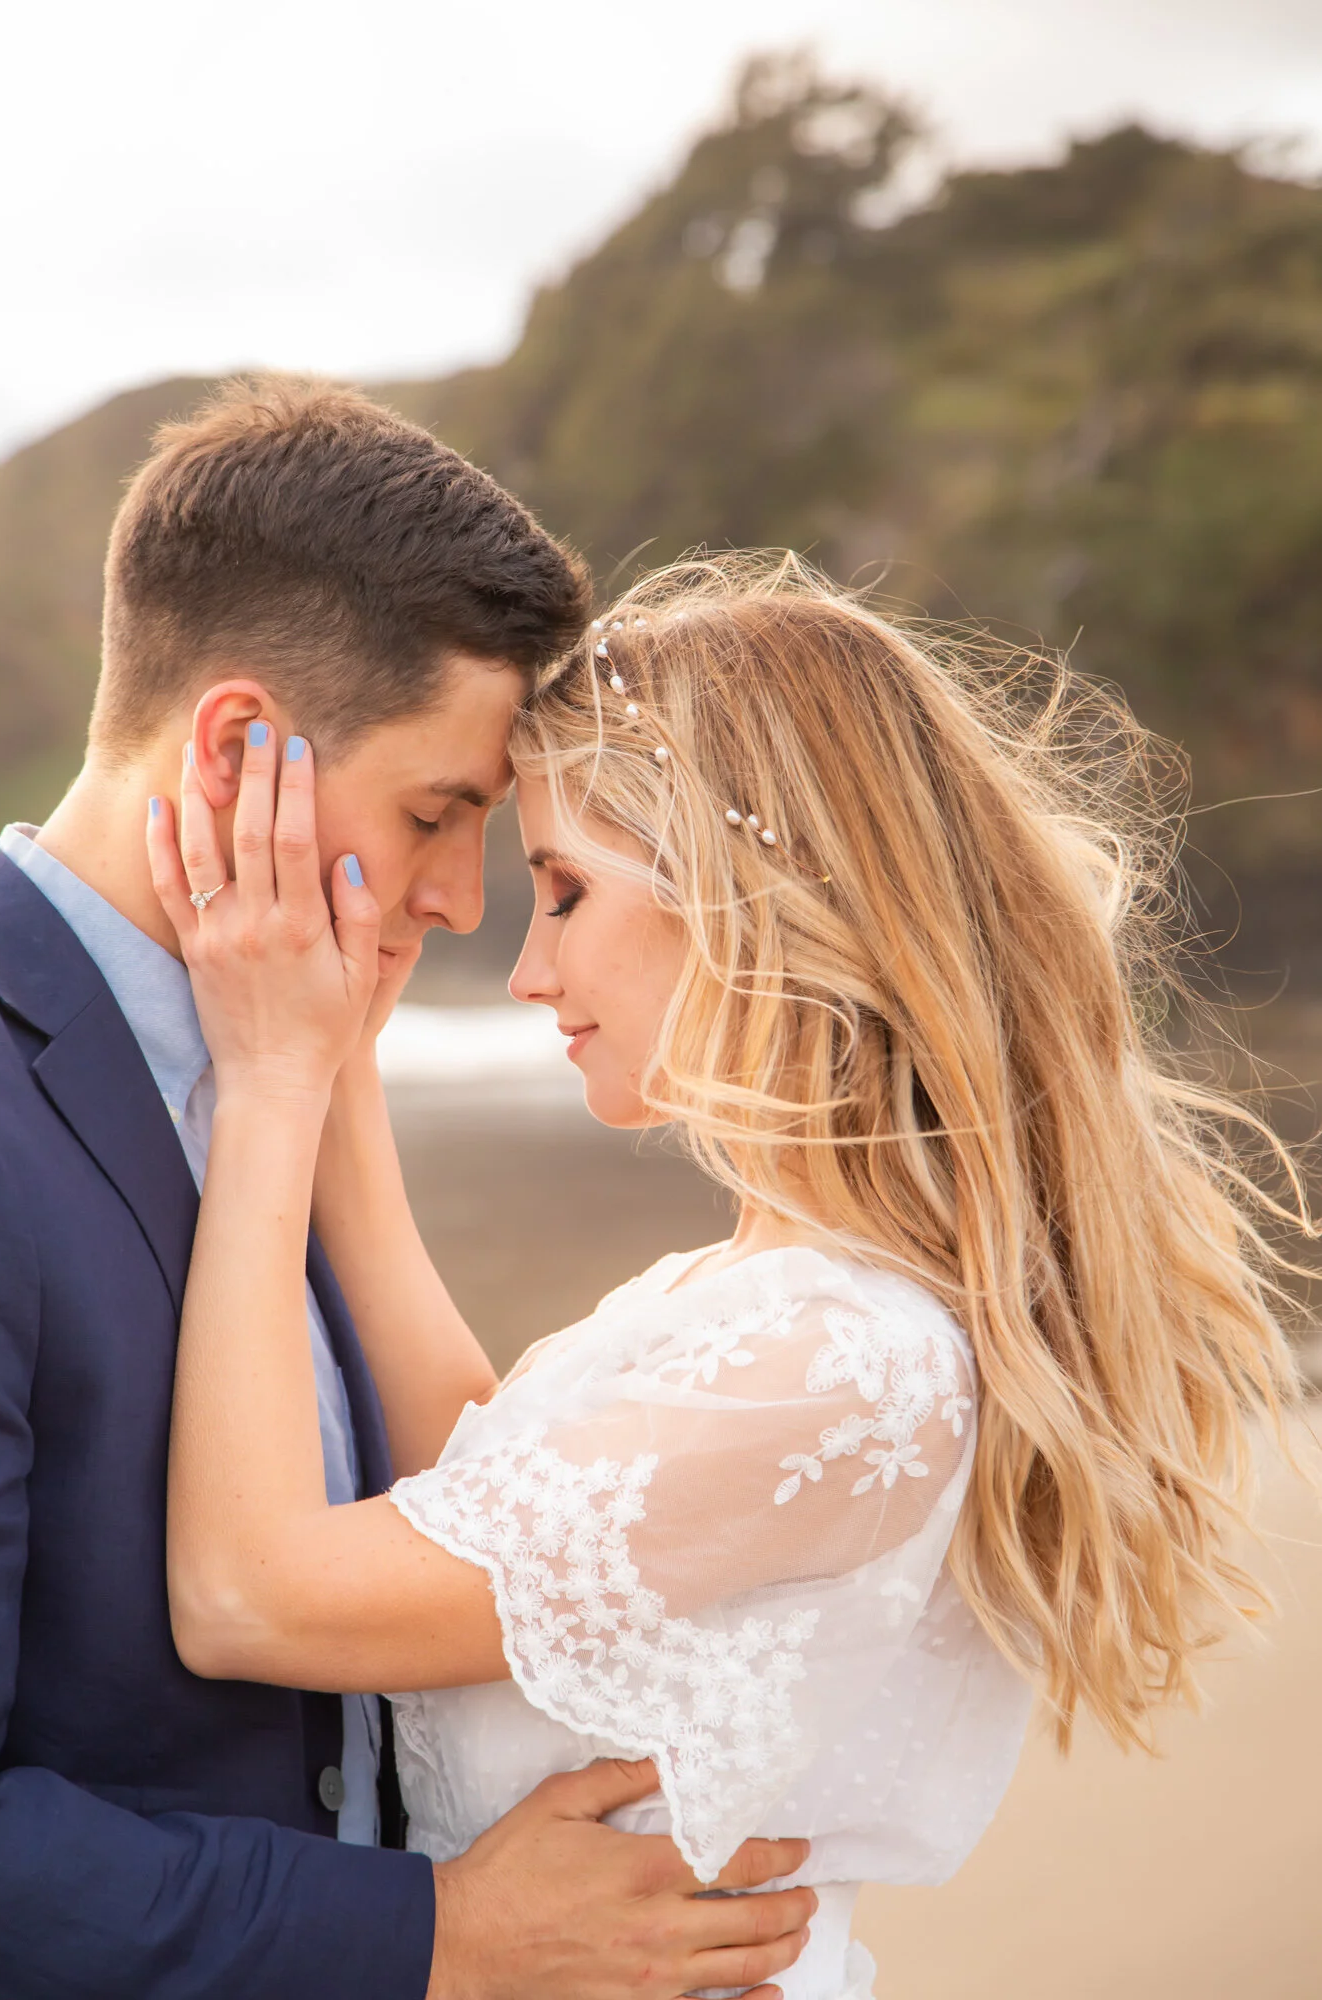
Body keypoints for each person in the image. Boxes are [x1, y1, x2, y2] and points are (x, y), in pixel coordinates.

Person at [149, 556, 1307, 2000]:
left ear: (748, 899)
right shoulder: (769, 1297)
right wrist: (341, 1061)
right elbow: (474, 1483)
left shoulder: (847, 1365)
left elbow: (249, 1599)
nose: (526, 970)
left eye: (566, 893)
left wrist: (269, 1084)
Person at [0, 385, 815, 2000]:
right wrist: (441, 1936)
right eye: (437, 816)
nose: (458, 902)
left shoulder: (294, 1048)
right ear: (236, 749)